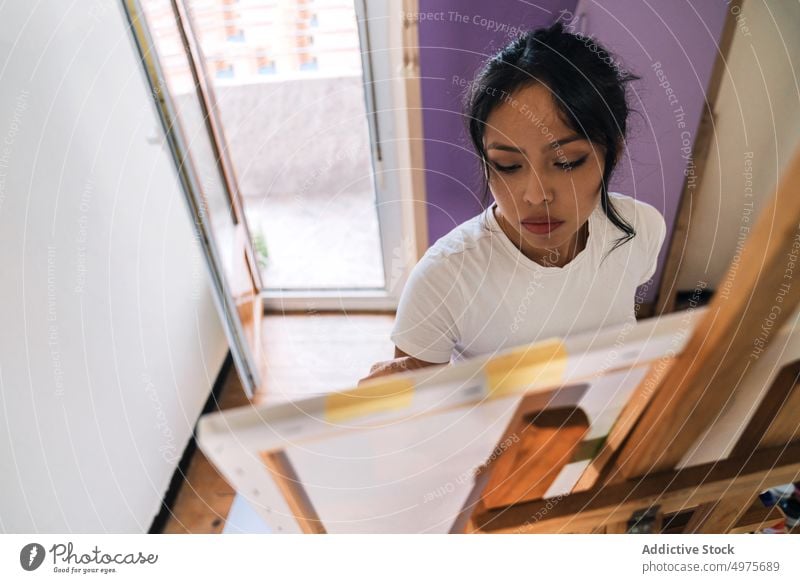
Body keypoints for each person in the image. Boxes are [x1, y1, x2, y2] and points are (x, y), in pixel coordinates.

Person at [360, 22, 666, 385]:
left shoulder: (639, 230)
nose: (536, 196)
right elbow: (422, 414)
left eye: (566, 162)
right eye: (508, 165)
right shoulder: (444, 278)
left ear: (612, 152)